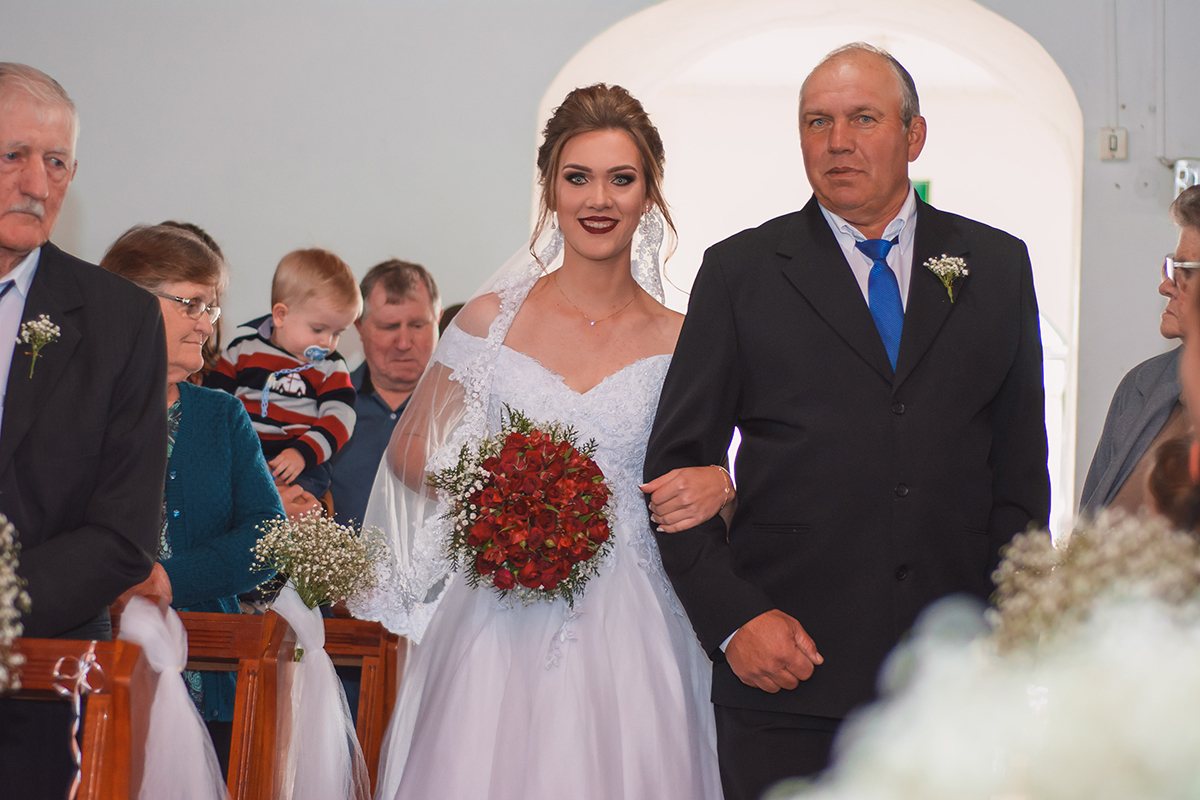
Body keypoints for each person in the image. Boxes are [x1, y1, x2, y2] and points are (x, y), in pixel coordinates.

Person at [644, 42, 1051, 799]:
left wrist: (1011, 630)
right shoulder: (741, 272)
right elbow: (674, 475)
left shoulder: (995, 265)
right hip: (788, 673)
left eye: (863, 118)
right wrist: (736, 623)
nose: (837, 142)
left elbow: (1022, 475)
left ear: (913, 135)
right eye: (817, 122)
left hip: (950, 681)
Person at [351, 84, 730, 799]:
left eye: (622, 179)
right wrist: (498, 496)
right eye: (577, 177)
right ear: (551, 190)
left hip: (640, 614)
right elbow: (409, 452)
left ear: (649, 194)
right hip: (503, 610)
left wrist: (721, 485)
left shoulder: (684, 338)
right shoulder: (493, 319)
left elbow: (707, 478)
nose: (599, 199)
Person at [0, 63, 167, 798]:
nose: (37, 181)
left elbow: (124, 532)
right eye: (13, 155)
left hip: (44, 682)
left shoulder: (119, 320)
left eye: (57, 161)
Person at [100, 224, 285, 773]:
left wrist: (170, 580)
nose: (209, 323)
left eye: (212, 306)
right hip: (102, 676)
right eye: (191, 304)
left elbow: (269, 537)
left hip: (214, 678)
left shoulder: (221, 416)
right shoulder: (79, 412)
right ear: (130, 304)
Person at [1081, 185, 1200, 514]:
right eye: (1171, 266)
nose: (1165, 285)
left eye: (1185, 271)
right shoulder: (1142, 383)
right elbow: (1089, 520)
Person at [206, 248, 360, 499]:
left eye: (337, 333)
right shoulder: (242, 351)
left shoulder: (331, 366)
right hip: (241, 453)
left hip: (299, 462)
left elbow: (341, 417)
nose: (327, 342)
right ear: (280, 315)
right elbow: (215, 400)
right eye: (319, 329)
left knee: (294, 501)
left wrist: (303, 453)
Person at [329, 259, 441, 526]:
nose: (403, 343)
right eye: (389, 327)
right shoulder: (326, 405)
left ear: (438, 319)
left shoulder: (463, 410)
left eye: (417, 325)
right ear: (359, 326)